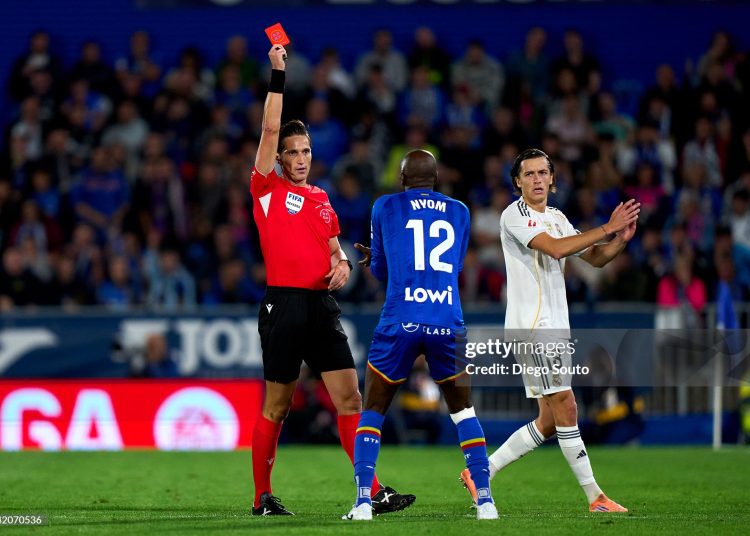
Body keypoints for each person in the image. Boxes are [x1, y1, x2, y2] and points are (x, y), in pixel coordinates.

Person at [248, 45, 414, 517]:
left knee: (349, 396)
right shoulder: (265, 189)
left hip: (322, 306)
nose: (300, 158)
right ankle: (262, 497)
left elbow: (336, 252)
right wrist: (279, 73)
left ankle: (373, 490)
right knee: (277, 406)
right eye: (292, 152)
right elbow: (269, 126)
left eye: (306, 151)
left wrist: (343, 265)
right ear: (278, 158)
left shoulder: (322, 197)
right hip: (284, 305)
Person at [460, 148, 639, 513]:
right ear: (517, 182)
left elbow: (594, 258)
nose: (538, 179)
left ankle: (481, 472)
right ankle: (595, 497)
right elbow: (556, 251)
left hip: (553, 326)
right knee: (567, 404)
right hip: (533, 327)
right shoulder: (514, 215)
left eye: (544, 173)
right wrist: (606, 227)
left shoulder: (557, 216)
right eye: (530, 174)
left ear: (553, 179)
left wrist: (619, 240)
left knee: (548, 420)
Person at [344, 149, 498, 521]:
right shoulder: (461, 211)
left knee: (373, 411)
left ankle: (364, 501)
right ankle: (486, 503)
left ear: (401, 179)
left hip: (401, 320)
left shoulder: (385, 206)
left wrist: (373, 262)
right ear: (437, 178)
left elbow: (382, 270)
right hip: (447, 319)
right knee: (464, 412)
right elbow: (455, 266)